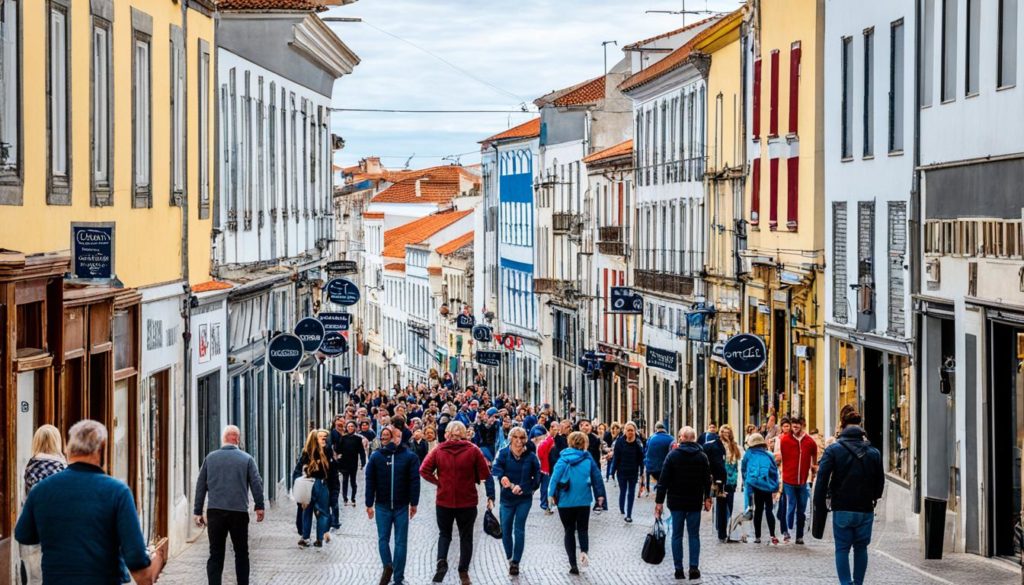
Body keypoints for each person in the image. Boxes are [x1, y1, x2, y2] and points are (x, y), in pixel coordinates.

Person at [15, 419, 162, 584]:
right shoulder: (117, 492)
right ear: (102, 450)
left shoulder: (41, 490)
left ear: (68, 450)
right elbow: (136, 559)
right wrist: (153, 566)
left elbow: (24, 535)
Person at [419, 421, 495, 585]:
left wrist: (438, 482)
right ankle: (463, 570)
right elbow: (485, 473)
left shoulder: (439, 449)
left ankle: (441, 561)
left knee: (444, 534)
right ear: (464, 434)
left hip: (444, 500)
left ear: (447, 433)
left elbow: (423, 470)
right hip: (467, 500)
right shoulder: (473, 450)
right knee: (466, 536)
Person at [813, 411, 884, 585]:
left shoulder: (833, 450)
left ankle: (846, 583)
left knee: (842, 549)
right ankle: (858, 583)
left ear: (842, 427)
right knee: (861, 549)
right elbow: (880, 482)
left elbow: (822, 479)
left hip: (842, 507)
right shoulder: (874, 452)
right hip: (865, 509)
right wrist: (873, 497)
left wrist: (820, 504)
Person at [193, 425, 266, 585]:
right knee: (241, 553)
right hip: (238, 512)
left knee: (216, 553)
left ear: (223, 439)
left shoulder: (210, 458)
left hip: (215, 512)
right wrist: (259, 506)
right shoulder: (247, 459)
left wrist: (197, 511)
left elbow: (200, 485)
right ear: (237, 439)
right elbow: (256, 483)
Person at [366, 426, 421, 585]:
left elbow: (414, 481)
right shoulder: (376, 457)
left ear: (400, 438)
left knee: (400, 541)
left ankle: (398, 577)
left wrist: (414, 502)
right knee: (384, 539)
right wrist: (369, 503)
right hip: (382, 505)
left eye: (397, 436)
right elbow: (370, 481)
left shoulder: (410, 457)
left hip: (401, 506)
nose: (393, 439)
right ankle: (388, 567)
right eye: (389, 436)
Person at [654, 426, 712, 581]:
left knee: (677, 535)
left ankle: (678, 569)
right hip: (694, 501)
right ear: (693, 438)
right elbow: (707, 480)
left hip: (676, 502)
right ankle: (694, 568)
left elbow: (663, 481)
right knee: (694, 535)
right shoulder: (702, 456)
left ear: (682, 438)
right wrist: (708, 498)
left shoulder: (672, 456)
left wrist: (659, 502)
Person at [547, 431, 606, 576]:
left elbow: (554, 478)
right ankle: (584, 552)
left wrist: (549, 496)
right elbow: (597, 477)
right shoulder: (588, 459)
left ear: (570, 442)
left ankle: (573, 564)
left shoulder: (563, 458)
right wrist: (600, 496)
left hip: (565, 502)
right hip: (583, 500)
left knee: (568, 530)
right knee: (583, 529)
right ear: (585, 443)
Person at [19, 424, 67, 584]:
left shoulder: (30, 468)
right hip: (59, 528)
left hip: (34, 526)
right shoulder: (63, 468)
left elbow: (25, 499)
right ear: (57, 442)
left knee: (35, 576)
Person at [491, 427, 541, 576]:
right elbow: (496, 468)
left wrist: (525, 488)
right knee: (505, 529)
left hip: (524, 498)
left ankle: (516, 562)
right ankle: (510, 557)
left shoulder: (531, 456)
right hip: (506, 498)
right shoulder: (504, 453)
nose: (519, 441)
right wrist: (502, 477)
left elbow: (537, 477)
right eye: (516, 437)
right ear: (511, 438)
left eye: (522, 438)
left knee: (519, 529)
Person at [778, 415, 817, 544]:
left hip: (803, 482)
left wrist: (814, 469)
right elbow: (779, 457)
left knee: (801, 509)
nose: (795, 426)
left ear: (803, 425)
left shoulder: (809, 441)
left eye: (797, 424)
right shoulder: (784, 440)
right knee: (791, 506)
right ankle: (788, 529)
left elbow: (814, 458)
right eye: (793, 423)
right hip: (788, 480)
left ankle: (799, 536)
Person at [293, 430, 332, 547]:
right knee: (323, 513)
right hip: (320, 484)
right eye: (322, 437)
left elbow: (299, 470)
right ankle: (319, 538)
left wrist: (296, 485)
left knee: (307, 511)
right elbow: (332, 471)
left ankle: (306, 537)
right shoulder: (327, 451)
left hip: (307, 483)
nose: (324, 439)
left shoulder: (306, 453)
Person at [742, 432, 780, 545]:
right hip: (767, 486)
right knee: (769, 510)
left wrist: (746, 483)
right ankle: (772, 534)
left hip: (755, 485)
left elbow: (744, 469)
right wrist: (775, 487)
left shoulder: (748, 454)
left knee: (758, 510)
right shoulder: (768, 454)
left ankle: (757, 536)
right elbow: (774, 471)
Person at [612, 421, 645, 522]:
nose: (630, 432)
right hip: (621, 472)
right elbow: (616, 458)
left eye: (632, 430)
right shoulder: (620, 442)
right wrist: (612, 471)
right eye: (628, 430)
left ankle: (629, 514)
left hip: (633, 472)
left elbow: (641, 459)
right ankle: (622, 508)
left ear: (635, 431)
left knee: (631, 493)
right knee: (623, 491)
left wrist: (641, 472)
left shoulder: (638, 443)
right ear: (625, 431)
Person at [718, 425, 742, 543]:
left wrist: (738, 481)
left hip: (732, 479)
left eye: (728, 432)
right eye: (724, 432)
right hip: (721, 480)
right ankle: (721, 533)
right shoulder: (718, 445)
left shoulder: (734, 445)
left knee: (730, 506)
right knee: (721, 506)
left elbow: (737, 464)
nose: (726, 434)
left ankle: (730, 532)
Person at [337, 421, 367, 507]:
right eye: (349, 426)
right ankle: (345, 498)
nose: (350, 428)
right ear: (346, 428)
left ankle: (353, 498)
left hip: (353, 463)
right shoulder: (343, 438)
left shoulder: (358, 439)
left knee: (353, 481)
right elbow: (338, 449)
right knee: (345, 481)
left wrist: (363, 462)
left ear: (355, 428)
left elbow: (361, 451)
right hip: (344, 463)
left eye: (352, 426)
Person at [536, 425, 555, 514]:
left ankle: (545, 504)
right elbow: (540, 453)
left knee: (545, 486)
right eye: (555, 429)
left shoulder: (548, 440)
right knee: (546, 487)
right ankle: (545, 504)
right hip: (546, 468)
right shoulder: (549, 440)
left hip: (546, 467)